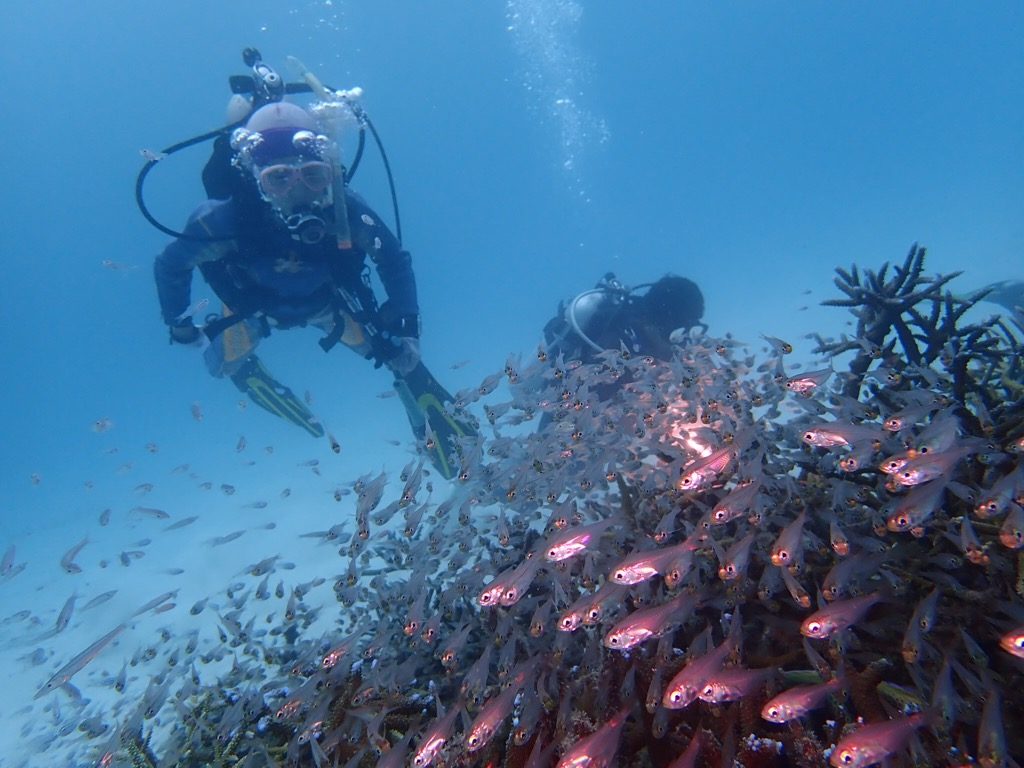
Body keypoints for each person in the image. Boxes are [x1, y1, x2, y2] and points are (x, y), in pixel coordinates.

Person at [149, 57, 476, 478]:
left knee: (403, 358)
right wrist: (178, 324)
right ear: (254, 177)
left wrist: (408, 329)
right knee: (219, 366)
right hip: (251, 305)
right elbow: (170, 265)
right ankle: (245, 368)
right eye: (279, 179)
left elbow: (393, 259)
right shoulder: (221, 220)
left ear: (330, 172)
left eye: (314, 176)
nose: (298, 191)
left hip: (329, 302)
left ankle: (425, 406)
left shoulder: (346, 210)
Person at [543, 272, 707, 363]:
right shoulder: (614, 342)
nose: (686, 340)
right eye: (684, 328)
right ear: (663, 323)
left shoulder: (646, 343)